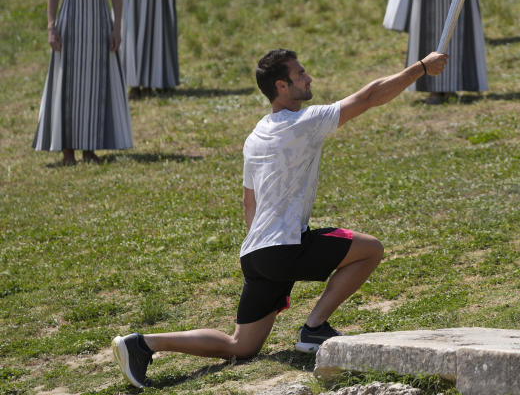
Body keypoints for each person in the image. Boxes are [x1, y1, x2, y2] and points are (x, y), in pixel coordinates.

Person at [112, 48, 449, 388]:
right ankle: (315, 328)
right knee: (371, 249)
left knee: (241, 346)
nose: (309, 78)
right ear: (282, 86)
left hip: (255, 254)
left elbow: (249, 206)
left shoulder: (255, 136)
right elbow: (370, 96)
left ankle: (143, 343)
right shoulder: (304, 123)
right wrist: (420, 68)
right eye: (301, 74)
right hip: (282, 248)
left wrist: (270, 256)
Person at [33, 0, 133, 165]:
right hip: (70, 23)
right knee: (67, 84)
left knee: (96, 83)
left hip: (100, 22)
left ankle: (90, 149)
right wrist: (51, 26)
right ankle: (67, 151)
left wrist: (117, 26)